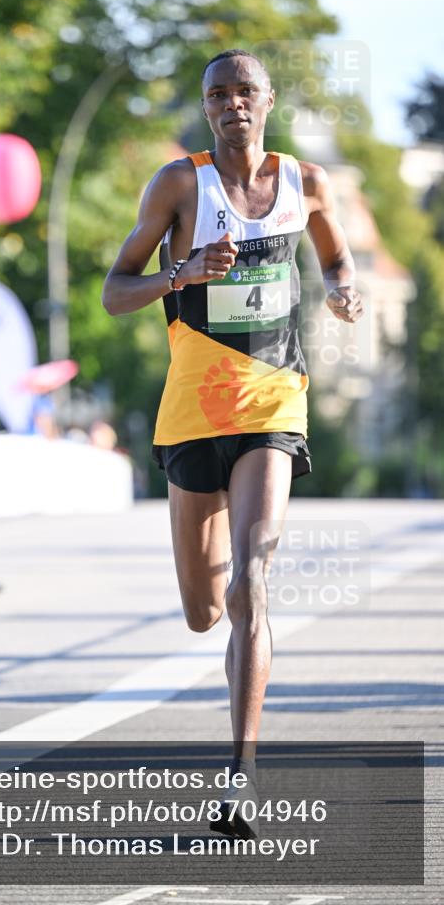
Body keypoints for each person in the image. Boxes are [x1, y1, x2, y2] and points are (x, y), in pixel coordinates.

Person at [102, 49, 363, 836]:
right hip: (191, 411)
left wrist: (341, 287)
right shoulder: (179, 183)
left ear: (268, 99)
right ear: (206, 107)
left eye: (244, 90)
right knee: (202, 610)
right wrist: (180, 273)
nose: (232, 104)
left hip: (273, 400)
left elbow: (336, 253)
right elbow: (116, 290)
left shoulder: (304, 182)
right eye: (217, 93)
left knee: (252, 578)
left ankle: (238, 782)